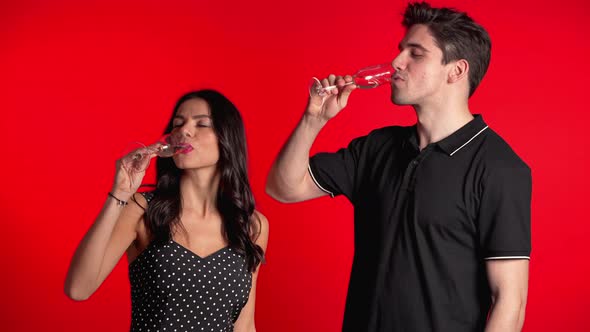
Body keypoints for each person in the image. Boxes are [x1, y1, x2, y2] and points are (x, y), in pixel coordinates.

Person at [266, 2, 530, 331]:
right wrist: (313, 120)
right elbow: (283, 188)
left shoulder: (499, 168)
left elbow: (510, 300)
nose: (396, 62)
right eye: (400, 50)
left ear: (456, 71)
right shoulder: (377, 147)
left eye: (415, 53)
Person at [65, 90, 269, 332]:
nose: (184, 131)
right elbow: (78, 289)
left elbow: (244, 325)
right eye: (178, 124)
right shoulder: (142, 209)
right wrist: (119, 194)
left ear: (228, 138)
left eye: (202, 124)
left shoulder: (252, 225)